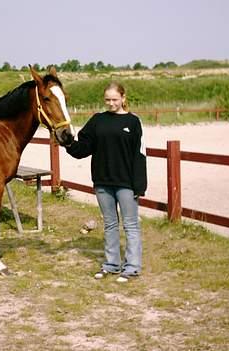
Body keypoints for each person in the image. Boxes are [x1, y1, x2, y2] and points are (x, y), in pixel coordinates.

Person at [65, 81, 147, 283]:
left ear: (123, 98)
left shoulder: (134, 122)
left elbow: (140, 155)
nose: (111, 103)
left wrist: (139, 186)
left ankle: (132, 267)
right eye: (107, 100)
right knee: (110, 224)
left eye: (115, 99)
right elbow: (82, 148)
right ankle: (111, 265)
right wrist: (66, 142)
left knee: (131, 225)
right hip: (102, 182)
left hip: (126, 184)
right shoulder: (97, 121)